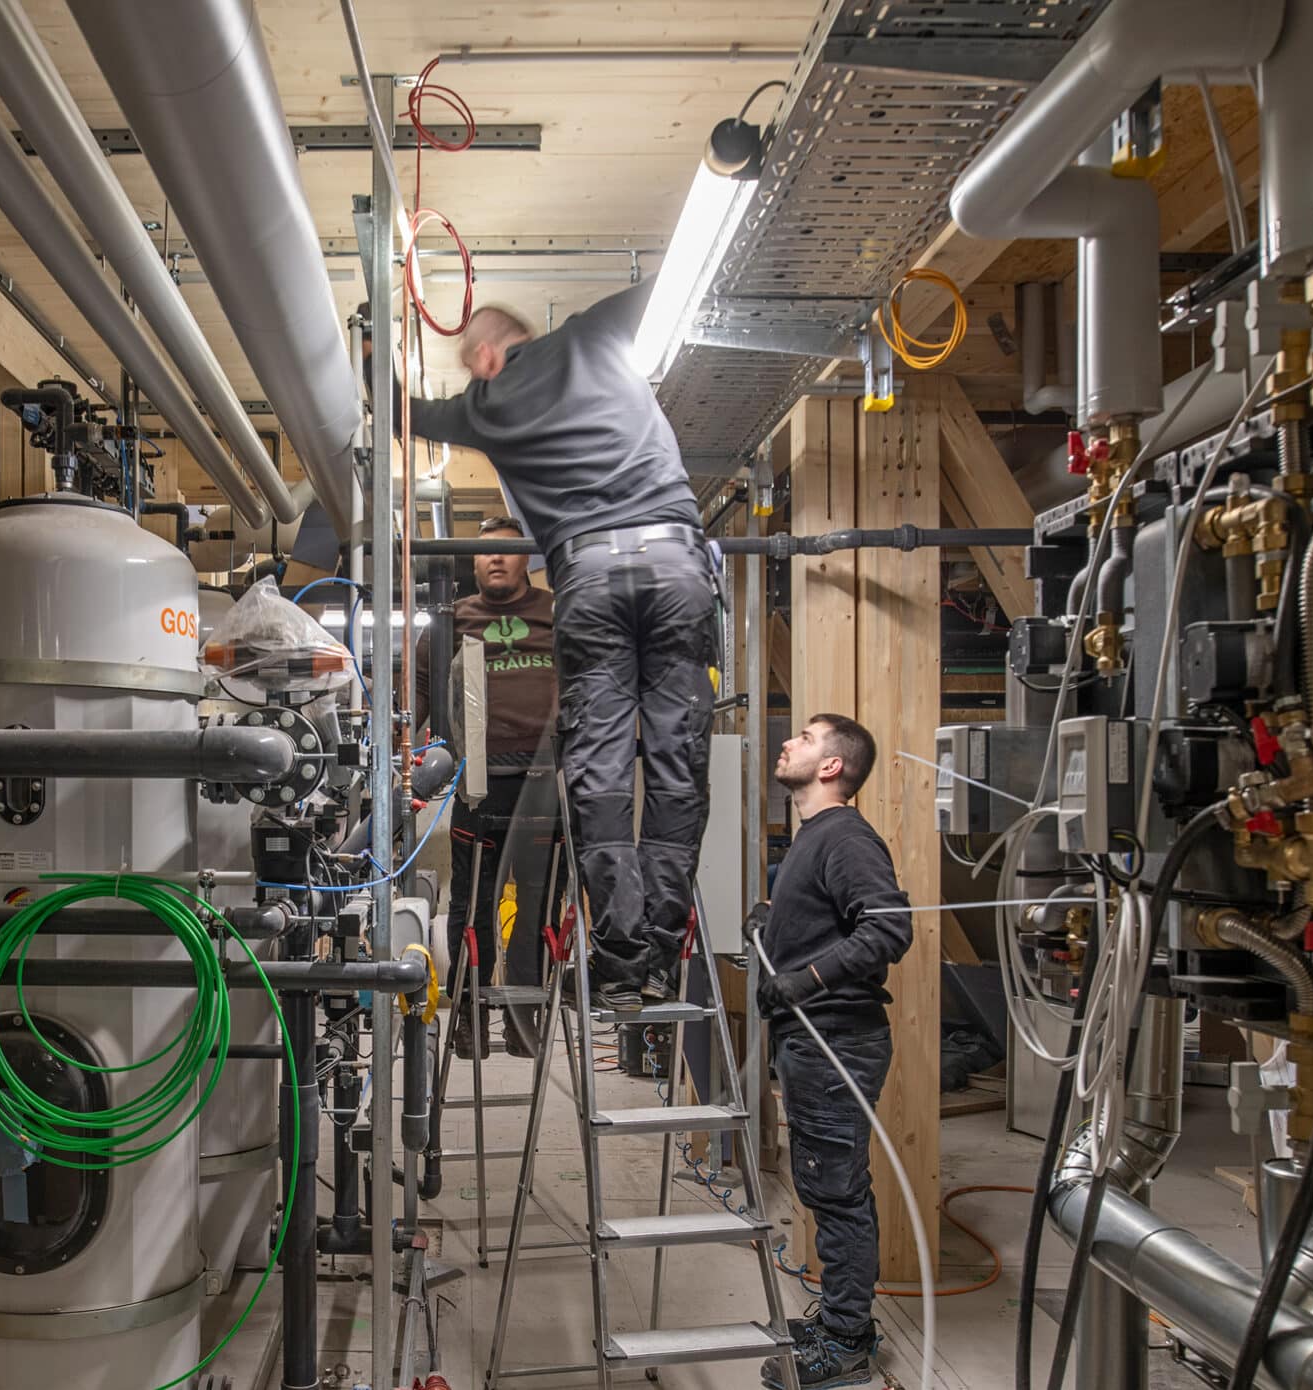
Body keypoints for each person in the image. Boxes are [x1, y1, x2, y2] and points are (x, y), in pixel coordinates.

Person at [403, 283, 718, 1011]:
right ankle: (665, 957)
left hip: (591, 575)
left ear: (483, 355)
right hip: (676, 560)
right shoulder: (595, 331)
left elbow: (402, 411)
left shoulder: (483, 406)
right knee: (676, 768)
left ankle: (620, 964)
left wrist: (366, 359)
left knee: (602, 773)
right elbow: (673, 278)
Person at [752, 714, 914, 1389]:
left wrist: (804, 980)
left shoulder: (844, 835)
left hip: (835, 1039)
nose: (790, 742)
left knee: (839, 1191)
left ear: (831, 768)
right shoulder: (813, 837)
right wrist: (777, 928)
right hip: (814, 1040)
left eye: (808, 738)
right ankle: (839, 1319)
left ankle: (847, 1339)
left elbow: (888, 928)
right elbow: (832, 924)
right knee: (824, 1182)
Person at [416, 515, 561, 1059]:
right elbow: (419, 698)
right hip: (477, 783)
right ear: (472, 562)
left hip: (546, 780)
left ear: (528, 559)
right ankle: (470, 1018)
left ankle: (525, 1019)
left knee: (538, 905)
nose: (496, 559)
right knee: (471, 907)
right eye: (485, 553)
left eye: (508, 551)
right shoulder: (451, 623)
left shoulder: (556, 615)